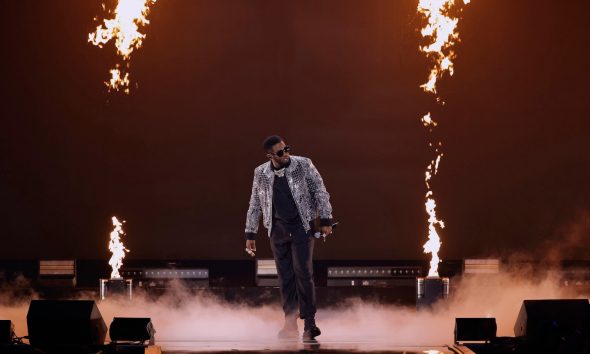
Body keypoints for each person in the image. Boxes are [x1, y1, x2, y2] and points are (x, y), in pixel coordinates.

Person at [244, 135, 334, 340]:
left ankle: (309, 324)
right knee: (285, 277)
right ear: (270, 156)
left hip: (302, 226)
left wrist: (326, 219)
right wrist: (250, 233)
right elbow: (255, 204)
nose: (286, 154)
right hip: (277, 230)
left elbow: (320, 190)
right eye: (280, 152)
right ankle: (290, 323)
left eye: (286, 149)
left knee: (304, 272)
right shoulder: (261, 173)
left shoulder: (303, 164)